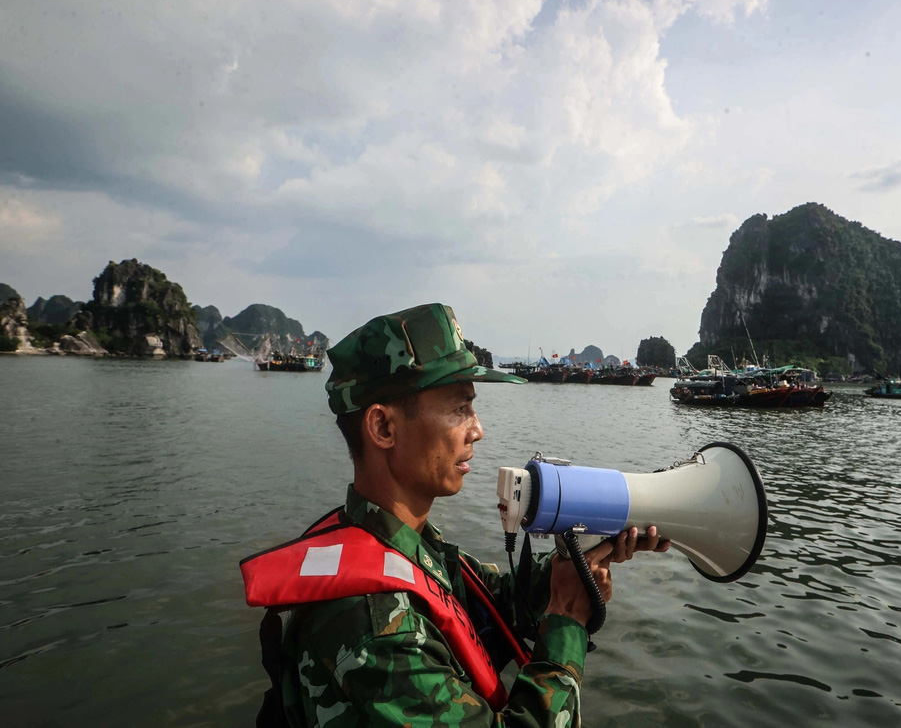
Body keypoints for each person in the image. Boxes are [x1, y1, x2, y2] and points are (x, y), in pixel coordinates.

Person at [240, 303, 669, 727]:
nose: (477, 429)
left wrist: (578, 561)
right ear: (383, 428)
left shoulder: (401, 542)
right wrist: (567, 619)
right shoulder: (374, 629)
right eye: (459, 407)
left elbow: (490, 603)